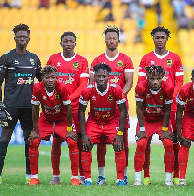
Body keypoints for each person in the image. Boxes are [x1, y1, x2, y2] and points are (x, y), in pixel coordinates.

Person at [0, 23, 42, 185]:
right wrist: (0, 104)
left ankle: (29, 175)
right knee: (5, 138)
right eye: (19, 37)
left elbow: (42, 81)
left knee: (30, 141)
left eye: (25, 37)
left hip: (29, 107)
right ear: (15, 38)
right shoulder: (6, 57)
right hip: (11, 106)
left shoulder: (34, 58)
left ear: (29, 39)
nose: (22, 39)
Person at [138, 26, 183, 185]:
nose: (160, 40)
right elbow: (141, 83)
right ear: (153, 39)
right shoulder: (146, 59)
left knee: (173, 141)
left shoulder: (175, 58)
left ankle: (175, 175)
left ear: (166, 39)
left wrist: (171, 97)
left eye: (162, 37)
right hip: (150, 105)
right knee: (146, 141)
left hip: (170, 106)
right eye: (157, 37)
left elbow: (179, 82)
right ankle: (146, 175)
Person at [89, 25, 134, 185]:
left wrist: (117, 96)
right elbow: (91, 83)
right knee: (101, 144)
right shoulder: (97, 60)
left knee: (123, 142)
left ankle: (124, 175)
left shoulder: (126, 60)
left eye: (114, 38)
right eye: (109, 38)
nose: (112, 41)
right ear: (105, 40)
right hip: (100, 108)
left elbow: (129, 82)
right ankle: (101, 176)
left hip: (120, 107)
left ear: (118, 40)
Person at [47, 31, 89, 185]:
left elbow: (83, 85)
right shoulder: (53, 59)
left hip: (76, 109)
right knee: (56, 141)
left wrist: (68, 99)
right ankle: (56, 177)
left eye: (71, 41)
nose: (68, 44)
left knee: (77, 142)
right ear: (61, 43)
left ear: (75, 43)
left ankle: (81, 176)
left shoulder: (82, 61)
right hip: (57, 109)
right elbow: (47, 80)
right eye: (66, 41)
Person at [28, 66, 79, 185]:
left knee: (72, 141)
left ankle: (75, 178)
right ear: (42, 79)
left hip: (61, 120)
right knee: (34, 141)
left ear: (57, 78)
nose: (50, 80)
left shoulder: (62, 87)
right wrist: (35, 130)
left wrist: (70, 129)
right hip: (46, 120)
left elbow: (68, 107)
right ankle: (34, 177)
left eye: (53, 77)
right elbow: (35, 109)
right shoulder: (37, 87)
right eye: (47, 78)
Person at [79, 63, 128, 186]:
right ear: (94, 76)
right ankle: (88, 179)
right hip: (94, 122)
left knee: (119, 145)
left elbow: (123, 110)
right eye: (98, 76)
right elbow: (81, 111)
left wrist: (120, 133)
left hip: (111, 122)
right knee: (86, 144)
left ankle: (120, 179)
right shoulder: (88, 89)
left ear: (108, 77)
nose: (101, 79)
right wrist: (84, 134)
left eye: (103, 76)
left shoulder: (116, 89)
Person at [133, 65, 174, 186]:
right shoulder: (140, 87)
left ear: (162, 77)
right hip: (146, 120)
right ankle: (138, 179)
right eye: (152, 78)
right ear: (147, 78)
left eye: (158, 78)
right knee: (141, 144)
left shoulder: (168, 88)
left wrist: (165, 129)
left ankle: (168, 179)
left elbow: (167, 110)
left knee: (169, 143)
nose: (155, 82)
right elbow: (139, 108)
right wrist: (141, 128)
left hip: (161, 120)